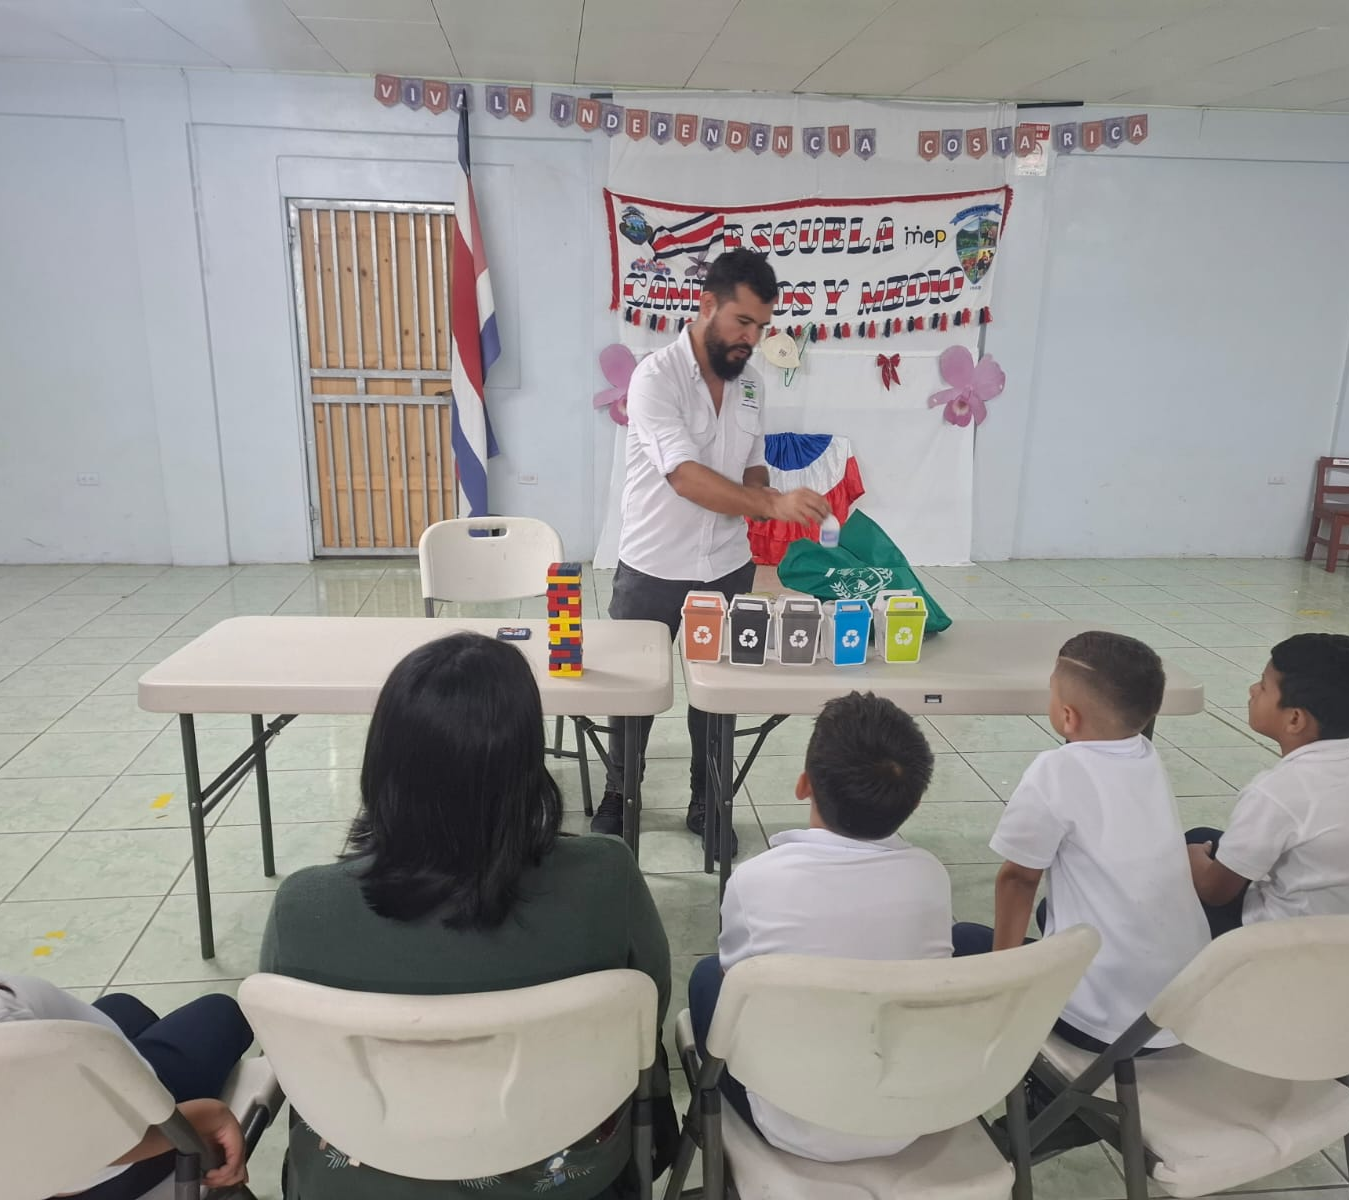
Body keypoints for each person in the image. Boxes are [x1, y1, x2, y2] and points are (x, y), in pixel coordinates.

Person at [261, 631, 671, 1200]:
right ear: (526, 761)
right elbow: (648, 1015)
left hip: (359, 1181)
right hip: (568, 1177)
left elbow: (285, 1051)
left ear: (383, 759)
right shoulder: (608, 878)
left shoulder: (303, 908)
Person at [594, 248, 830, 849]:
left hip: (726, 568)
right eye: (743, 322)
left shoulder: (750, 385)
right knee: (634, 693)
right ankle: (621, 793)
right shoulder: (656, 377)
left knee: (717, 694)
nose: (753, 338)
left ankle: (709, 801)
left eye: (762, 326)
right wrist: (770, 506)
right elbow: (684, 476)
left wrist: (768, 496)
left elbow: (751, 467)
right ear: (706, 306)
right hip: (652, 566)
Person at [0, 861, 251, 1199]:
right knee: (221, 1012)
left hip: (15, 1140)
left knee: (125, 1007)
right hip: (108, 1168)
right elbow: (75, 1149)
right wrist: (205, 1116)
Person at [688, 691, 950, 1162]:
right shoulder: (931, 876)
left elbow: (735, 980)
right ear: (914, 802)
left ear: (803, 784)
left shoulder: (755, 880)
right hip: (909, 1117)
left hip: (790, 1123)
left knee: (708, 976)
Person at [952, 632, 1209, 1054]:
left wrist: (1003, 976)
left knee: (962, 940)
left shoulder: (1056, 771)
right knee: (1049, 912)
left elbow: (1018, 879)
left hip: (1098, 1023)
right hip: (1179, 1009)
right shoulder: (1146, 755)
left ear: (1068, 716)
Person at [1185, 633, 1349, 937]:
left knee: (1181, 859)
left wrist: (1190, 859)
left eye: (1263, 686)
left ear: (1295, 719)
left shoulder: (1277, 792)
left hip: (1294, 944)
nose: (1252, 690)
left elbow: (1214, 892)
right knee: (1203, 836)